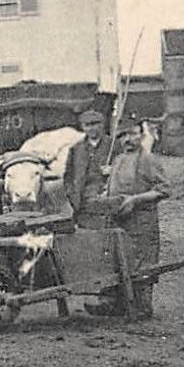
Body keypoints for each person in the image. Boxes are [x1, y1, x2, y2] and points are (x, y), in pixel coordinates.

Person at [87, 120, 170, 317]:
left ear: (141, 135)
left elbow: (164, 190)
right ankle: (112, 304)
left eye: (132, 134)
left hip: (141, 222)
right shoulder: (118, 160)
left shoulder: (148, 160)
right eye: (122, 136)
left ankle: (142, 307)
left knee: (142, 263)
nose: (127, 140)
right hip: (118, 220)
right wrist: (103, 196)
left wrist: (135, 199)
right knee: (114, 259)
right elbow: (111, 188)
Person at [64, 108, 116, 225]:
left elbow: (126, 168)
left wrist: (113, 170)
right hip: (82, 203)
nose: (92, 128)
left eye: (95, 124)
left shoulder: (113, 145)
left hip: (106, 199)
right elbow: (68, 176)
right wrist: (72, 196)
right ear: (82, 127)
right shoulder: (76, 149)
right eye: (87, 125)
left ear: (102, 125)